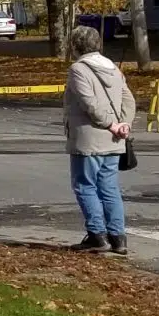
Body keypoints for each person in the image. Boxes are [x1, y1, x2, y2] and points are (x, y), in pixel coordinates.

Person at [62, 24, 136, 254]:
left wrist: (110, 124)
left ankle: (97, 235)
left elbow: (89, 103)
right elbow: (128, 99)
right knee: (109, 188)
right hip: (114, 140)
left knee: (85, 186)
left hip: (88, 138)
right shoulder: (112, 67)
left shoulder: (78, 70)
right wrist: (124, 124)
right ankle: (118, 237)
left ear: (75, 46)